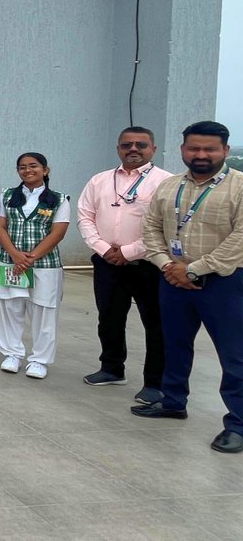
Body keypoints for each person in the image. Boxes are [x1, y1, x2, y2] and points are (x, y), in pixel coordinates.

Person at [134, 121, 243, 454]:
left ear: (224, 150)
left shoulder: (239, 186)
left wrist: (194, 270)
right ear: (182, 150)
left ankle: (238, 423)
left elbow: (240, 238)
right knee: (174, 344)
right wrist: (167, 265)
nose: (201, 154)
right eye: (194, 148)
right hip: (172, 279)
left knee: (234, 355)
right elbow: (151, 227)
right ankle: (172, 400)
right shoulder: (169, 186)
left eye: (209, 149)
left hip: (224, 282)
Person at [77, 126, 172, 401]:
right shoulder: (100, 180)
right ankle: (111, 368)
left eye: (140, 145)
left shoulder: (166, 182)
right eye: (126, 145)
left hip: (148, 264)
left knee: (155, 323)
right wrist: (104, 249)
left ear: (153, 149)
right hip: (107, 262)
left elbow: (165, 227)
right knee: (109, 317)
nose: (133, 149)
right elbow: (85, 216)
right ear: (118, 148)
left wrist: (129, 252)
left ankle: (155, 383)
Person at [0, 152, 70, 379]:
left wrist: (30, 257)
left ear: (45, 170)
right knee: (10, 308)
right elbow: (0, 227)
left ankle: (39, 360)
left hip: (45, 265)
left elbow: (58, 233)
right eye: (22, 167)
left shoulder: (59, 199)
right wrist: (16, 255)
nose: (27, 171)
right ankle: (12, 354)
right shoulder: (7, 195)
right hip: (9, 261)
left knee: (43, 311)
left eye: (33, 166)